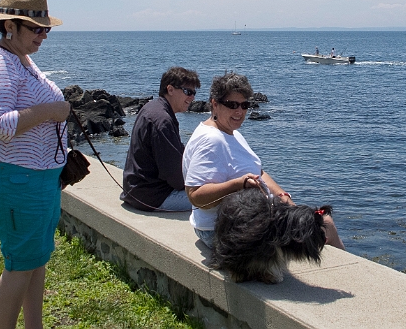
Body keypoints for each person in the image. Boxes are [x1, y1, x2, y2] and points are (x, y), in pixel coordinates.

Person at [0, 0, 70, 329]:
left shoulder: (20, 58)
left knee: (35, 259)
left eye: (46, 29)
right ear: (9, 26)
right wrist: (50, 111)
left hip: (35, 178)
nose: (43, 35)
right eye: (35, 28)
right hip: (13, 178)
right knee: (20, 263)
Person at [183, 72, 344, 250]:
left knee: (321, 222)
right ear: (214, 104)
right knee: (324, 224)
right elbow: (195, 196)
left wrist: (283, 197)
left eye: (244, 105)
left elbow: (258, 172)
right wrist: (239, 184)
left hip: (247, 219)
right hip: (222, 230)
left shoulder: (231, 132)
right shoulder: (211, 140)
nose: (239, 112)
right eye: (232, 105)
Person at [121, 66, 200, 211]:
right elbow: (174, 174)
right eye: (188, 92)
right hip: (153, 196)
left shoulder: (152, 108)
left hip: (136, 190)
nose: (192, 97)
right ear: (170, 89)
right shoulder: (162, 120)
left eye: (194, 93)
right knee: (219, 201)